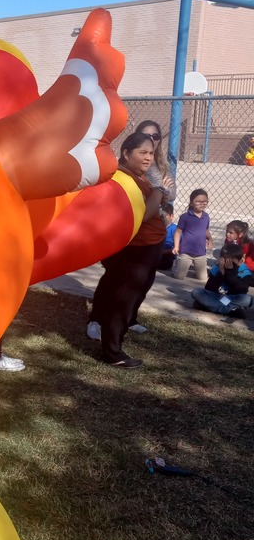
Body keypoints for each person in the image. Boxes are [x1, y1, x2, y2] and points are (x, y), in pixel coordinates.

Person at [88, 132, 166, 367]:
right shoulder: (123, 179)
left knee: (130, 299)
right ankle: (112, 353)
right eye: (142, 152)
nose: (148, 158)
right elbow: (144, 214)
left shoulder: (138, 177)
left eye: (151, 153)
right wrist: (160, 191)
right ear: (126, 153)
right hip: (137, 250)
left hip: (149, 248)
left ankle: (115, 343)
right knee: (122, 300)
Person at [190, 242, 252, 317]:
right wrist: (220, 274)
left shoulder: (244, 271)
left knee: (247, 299)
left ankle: (208, 306)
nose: (228, 265)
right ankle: (230, 311)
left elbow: (241, 290)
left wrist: (230, 273)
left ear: (240, 261)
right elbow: (209, 289)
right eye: (225, 261)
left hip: (232, 299)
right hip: (217, 297)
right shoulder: (217, 268)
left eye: (231, 262)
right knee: (196, 292)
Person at [173, 189, 213, 281]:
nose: (202, 204)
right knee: (179, 277)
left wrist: (210, 240)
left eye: (204, 201)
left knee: (202, 278)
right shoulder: (185, 217)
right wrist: (176, 246)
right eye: (198, 201)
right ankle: (175, 265)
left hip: (200, 253)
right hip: (186, 252)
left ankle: (197, 270)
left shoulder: (206, 216)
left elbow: (205, 230)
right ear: (191, 203)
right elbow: (178, 232)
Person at [156, 203, 177, 272]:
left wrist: (163, 252)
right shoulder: (156, 227)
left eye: (164, 215)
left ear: (171, 216)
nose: (162, 218)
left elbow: (176, 248)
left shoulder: (175, 229)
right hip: (156, 252)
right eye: (160, 215)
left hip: (167, 254)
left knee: (166, 263)